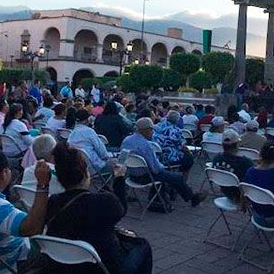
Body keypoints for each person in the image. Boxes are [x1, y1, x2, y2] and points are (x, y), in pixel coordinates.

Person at [46, 143, 153, 273]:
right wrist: (119, 178)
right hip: (102, 267)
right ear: (85, 174)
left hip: (64, 265)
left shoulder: (53, 201)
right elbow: (121, 209)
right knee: (143, 245)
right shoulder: (103, 202)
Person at [122, 118, 206, 207]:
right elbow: (156, 169)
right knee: (176, 177)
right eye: (151, 130)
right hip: (145, 177)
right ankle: (193, 198)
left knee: (169, 175)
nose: (152, 132)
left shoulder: (127, 140)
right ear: (145, 130)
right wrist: (163, 167)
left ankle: (177, 195)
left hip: (131, 175)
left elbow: (123, 158)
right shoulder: (145, 145)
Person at [212, 130, 254, 202]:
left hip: (225, 190)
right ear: (237, 145)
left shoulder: (216, 158)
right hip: (241, 195)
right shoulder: (244, 162)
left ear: (222, 145)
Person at [153, 110, 194, 180]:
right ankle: (183, 181)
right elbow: (182, 146)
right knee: (189, 158)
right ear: (177, 121)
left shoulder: (156, 126)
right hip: (168, 158)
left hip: (155, 156)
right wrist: (189, 152)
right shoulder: (176, 131)